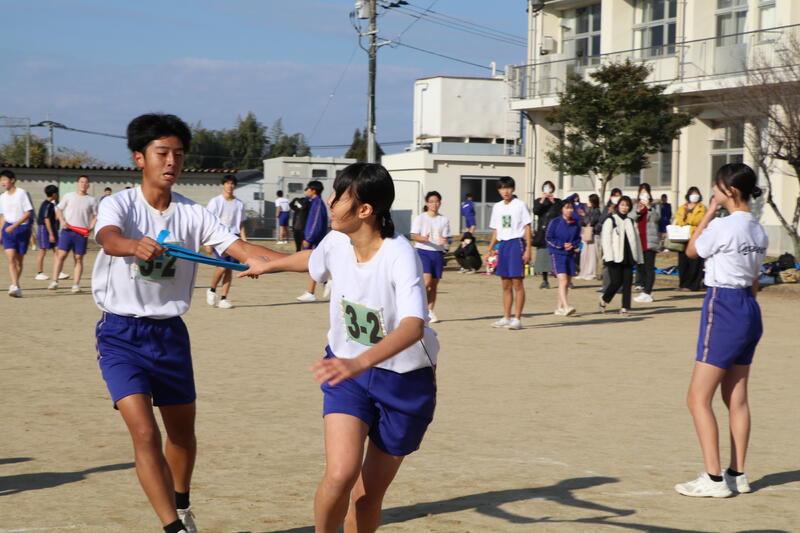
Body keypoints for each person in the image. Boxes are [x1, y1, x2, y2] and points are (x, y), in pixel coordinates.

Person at [91, 113, 283, 533]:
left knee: (181, 436)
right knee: (145, 434)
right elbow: (107, 238)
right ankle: (173, 529)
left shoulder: (193, 213)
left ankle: (182, 506)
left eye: (178, 154)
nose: (171, 161)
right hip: (121, 335)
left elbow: (240, 249)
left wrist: (299, 262)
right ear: (139, 157)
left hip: (170, 336)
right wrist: (132, 245)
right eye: (162, 152)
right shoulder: (118, 204)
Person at [238, 162, 438, 533]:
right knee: (340, 475)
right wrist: (269, 265)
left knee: (366, 495)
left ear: (365, 210)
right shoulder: (336, 241)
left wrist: (359, 362)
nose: (330, 202)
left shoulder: (400, 254)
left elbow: (413, 326)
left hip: (403, 382)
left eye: (339, 197)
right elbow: (314, 260)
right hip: (347, 374)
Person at [674, 163, 767, 499]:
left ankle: (714, 479)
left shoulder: (723, 225)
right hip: (749, 308)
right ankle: (737, 474)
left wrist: (709, 214)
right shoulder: (758, 229)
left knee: (697, 398)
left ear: (730, 190)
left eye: (716, 187)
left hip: (724, 305)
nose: (712, 191)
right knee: (736, 398)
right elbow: (754, 280)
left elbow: (691, 250)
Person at [487, 176, 532, 330]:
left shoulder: (520, 205)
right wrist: (490, 247)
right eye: (502, 188)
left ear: (513, 189)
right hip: (503, 245)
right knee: (505, 283)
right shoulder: (497, 207)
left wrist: (528, 249)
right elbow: (496, 230)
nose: (505, 191)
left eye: (508, 188)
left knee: (517, 282)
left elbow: (527, 227)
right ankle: (506, 317)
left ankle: (517, 318)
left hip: (516, 243)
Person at [49, 175, 98, 293]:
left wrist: (91, 228)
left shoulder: (92, 200)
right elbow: (59, 209)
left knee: (78, 258)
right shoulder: (69, 196)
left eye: (86, 182)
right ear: (77, 183)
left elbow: (96, 216)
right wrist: (62, 221)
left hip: (81, 233)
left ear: (88, 185)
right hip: (67, 231)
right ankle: (54, 281)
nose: (83, 184)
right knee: (60, 256)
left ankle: (76, 285)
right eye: (81, 182)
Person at [205, 174, 247, 309]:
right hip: (219, 237)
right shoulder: (215, 201)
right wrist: (208, 242)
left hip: (234, 238)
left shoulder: (239, 203)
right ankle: (212, 289)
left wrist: (244, 240)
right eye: (227, 183)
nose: (230, 186)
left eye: (232, 183)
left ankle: (224, 298)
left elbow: (241, 224)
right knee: (222, 266)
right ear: (223, 185)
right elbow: (208, 221)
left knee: (230, 269)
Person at [599, 196, 643, 316]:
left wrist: (639, 257)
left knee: (628, 283)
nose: (625, 208)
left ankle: (625, 308)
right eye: (622, 205)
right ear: (618, 206)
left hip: (628, 256)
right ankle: (604, 300)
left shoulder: (631, 222)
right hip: (614, 256)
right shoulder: (611, 220)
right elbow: (606, 240)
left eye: (627, 205)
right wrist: (609, 256)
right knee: (616, 282)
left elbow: (637, 241)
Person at [410, 191, 450, 323]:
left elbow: (445, 237)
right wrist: (423, 238)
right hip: (423, 251)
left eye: (437, 201)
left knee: (434, 284)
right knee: (426, 282)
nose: (434, 204)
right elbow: (414, 235)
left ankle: (430, 311)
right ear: (427, 203)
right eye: (431, 201)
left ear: (440, 203)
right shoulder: (420, 218)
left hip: (438, 253)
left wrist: (444, 241)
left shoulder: (444, 219)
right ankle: (418, 308)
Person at [0, 169, 34, 297]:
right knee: (11, 259)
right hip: (8, 230)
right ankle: (14, 285)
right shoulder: (2, 197)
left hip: (22, 229)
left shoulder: (21, 193)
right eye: (1, 180)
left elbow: (28, 212)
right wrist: (1, 231)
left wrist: (15, 226)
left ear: (12, 180)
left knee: (19, 261)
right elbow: (3, 216)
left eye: (4, 179)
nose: (2, 182)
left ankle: (16, 284)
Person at [546, 198, 581, 315]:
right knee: (563, 280)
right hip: (557, 254)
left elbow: (578, 238)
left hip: (570, 255)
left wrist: (573, 245)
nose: (569, 210)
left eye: (571, 208)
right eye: (567, 208)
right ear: (561, 209)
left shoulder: (575, 223)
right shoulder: (555, 222)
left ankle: (559, 307)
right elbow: (549, 237)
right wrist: (561, 245)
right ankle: (566, 306)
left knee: (567, 282)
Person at [297, 180, 328, 302]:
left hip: (314, 240)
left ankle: (311, 292)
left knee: (313, 264)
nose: (306, 191)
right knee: (314, 265)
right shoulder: (313, 202)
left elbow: (315, 224)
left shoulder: (318, 204)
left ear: (313, 191)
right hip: (314, 239)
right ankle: (322, 284)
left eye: (308, 189)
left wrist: (308, 238)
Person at [632, 183, 662, 303]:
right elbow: (631, 218)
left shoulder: (654, 206)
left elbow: (657, 218)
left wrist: (649, 208)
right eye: (641, 192)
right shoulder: (636, 205)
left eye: (646, 192)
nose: (643, 195)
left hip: (650, 241)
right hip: (639, 240)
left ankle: (648, 292)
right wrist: (638, 211)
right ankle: (643, 288)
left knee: (649, 267)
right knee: (642, 267)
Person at [676, 186, 707, 291]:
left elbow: (699, 220)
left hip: (696, 236)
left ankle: (693, 285)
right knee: (683, 262)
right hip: (683, 237)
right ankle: (683, 284)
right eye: (692, 193)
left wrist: (687, 219)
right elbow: (679, 220)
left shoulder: (702, 208)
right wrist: (686, 220)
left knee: (695, 262)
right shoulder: (682, 207)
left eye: (696, 193)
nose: (694, 196)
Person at [532, 180, 560, 289]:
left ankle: (563, 279)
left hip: (555, 231)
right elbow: (536, 211)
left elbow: (559, 213)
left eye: (549, 188)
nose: (548, 190)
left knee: (558, 255)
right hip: (542, 233)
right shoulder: (538, 201)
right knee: (543, 256)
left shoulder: (558, 202)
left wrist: (553, 202)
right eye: (545, 188)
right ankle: (545, 280)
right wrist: (543, 199)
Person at [597, 188, 623, 293]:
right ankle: (606, 286)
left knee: (619, 262)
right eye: (615, 195)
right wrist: (609, 212)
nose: (617, 197)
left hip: (619, 239)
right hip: (607, 238)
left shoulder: (622, 207)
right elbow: (601, 220)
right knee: (607, 262)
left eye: (618, 195)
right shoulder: (607, 207)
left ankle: (619, 286)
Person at [34, 185, 62, 280]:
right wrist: (51, 234)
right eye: (57, 193)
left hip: (51, 228)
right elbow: (46, 219)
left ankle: (58, 271)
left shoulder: (51, 204)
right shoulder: (47, 205)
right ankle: (39, 272)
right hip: (44, 229)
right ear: (54, 194)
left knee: (57, 250)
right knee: (42, 250)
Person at [576, 193, 601, 281]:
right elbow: (584, 222)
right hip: (586, 234)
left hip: (594, 235)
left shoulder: (597, 211)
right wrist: (582, 216)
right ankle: (583, 272)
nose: (588, 203)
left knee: (592, 255)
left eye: (590, 201)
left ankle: (591, 273)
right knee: (584, 254)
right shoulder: (590, 210)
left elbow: (591, 221)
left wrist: (583, 215)